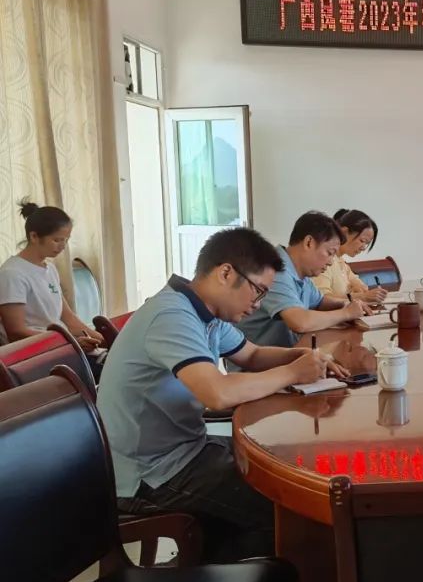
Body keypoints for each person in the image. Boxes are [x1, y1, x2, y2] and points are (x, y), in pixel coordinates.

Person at [97, 227, 349, 563]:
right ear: (226, 273)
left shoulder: (206, 314)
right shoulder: (171, 315)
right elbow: (216, 393)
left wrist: (300, 357)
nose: (258, 304)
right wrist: (292, 373)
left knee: (283, 467)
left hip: (185, 450)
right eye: (257, 291)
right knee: (290, 508)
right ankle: (202, 577)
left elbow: (252, 355)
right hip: (150, 473)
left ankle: (211, 561)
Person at [237, 211, 371, 349]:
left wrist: (345, 304)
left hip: (286, 352)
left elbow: (320, 302)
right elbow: (300, 322)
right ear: (309, 242)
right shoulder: (275, 269)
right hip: (257, 360)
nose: (331, 262)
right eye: (329, 253)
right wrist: (346, 313)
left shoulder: (300, 272)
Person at [0, 200, 104, 350]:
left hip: (59, 346)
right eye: (57, 240)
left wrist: (104, 338)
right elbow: (16, 332)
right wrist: (70, 343)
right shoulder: (12, 274)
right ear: (34, 236)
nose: (62, 246)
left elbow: (69, 319)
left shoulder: (50, 269)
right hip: (34, 354)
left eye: (66, 240)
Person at [313, 209, 388, 304]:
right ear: (344, 232)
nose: (363, 248)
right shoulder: (325, 261)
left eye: (367, 243)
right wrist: (363, 296)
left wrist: (361, 289)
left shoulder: (342, 263)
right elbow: (321, 299)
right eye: (362, 241)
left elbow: (358, 284)